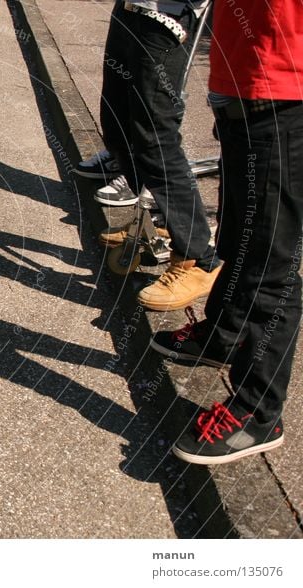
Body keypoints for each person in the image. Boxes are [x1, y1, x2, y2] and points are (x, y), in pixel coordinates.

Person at [150, 0, 303, 464]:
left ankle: (258, 412)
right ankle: (223, 335)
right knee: (238, 235)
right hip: (240, 78)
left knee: (272, 261)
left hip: (287, 87)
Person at [75, 0, 221, 311]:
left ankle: (197, 259)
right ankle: (159, 221)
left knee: (154, 137)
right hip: (131, 8)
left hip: (167, 16)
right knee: (117, 125)